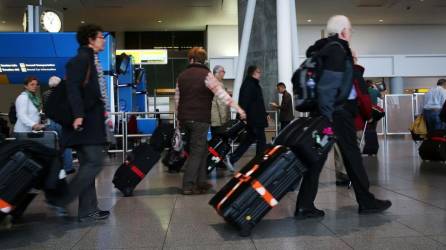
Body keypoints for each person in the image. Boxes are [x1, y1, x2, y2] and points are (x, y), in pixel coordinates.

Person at [295, 15, 391, 219]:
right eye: (350, 29)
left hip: (329, 112)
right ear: (343, 31)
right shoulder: (337, 50)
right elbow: (328, 86)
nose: (350, 33)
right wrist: (327, 119)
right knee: (351, 155)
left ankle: (304, 204)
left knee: (319, 158)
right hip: (337, 113)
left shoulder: (324, 49)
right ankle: (366, 201)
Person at [46, 24, 110, 222]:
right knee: (94, 162)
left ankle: (88, 210)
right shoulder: (81, 60)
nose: (104, 40)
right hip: (85, 123)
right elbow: (73, 89)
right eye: (100, 37)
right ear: (90, 39)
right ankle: (61, 198)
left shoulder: (91, 59)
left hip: (90, 121)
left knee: (87, 165)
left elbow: (91, 90)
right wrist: (78, 115)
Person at [175, 47, 246, 195]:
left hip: (184, 119)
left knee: (200, 148)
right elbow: (223, 96)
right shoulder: (207, 76)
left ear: (191, 59)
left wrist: (178, 119)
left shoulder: (182, 76)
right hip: (200, 119)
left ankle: (201, 182)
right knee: (196, 151)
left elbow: (177, 100)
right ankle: (188, 185)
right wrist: (239, 110)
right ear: (203, 60)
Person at [225, 65, 268, 169]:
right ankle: (259, 163)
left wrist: (265, 114)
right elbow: (244, 101)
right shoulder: (250, 84)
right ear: (253, 73)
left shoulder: (252, 84)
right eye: (259, 72)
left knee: (249, 139)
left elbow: (258, 103)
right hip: (254, 119)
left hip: (255, 118)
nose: (260, 74)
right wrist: (243, 116)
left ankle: (232, 158)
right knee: (261, 140)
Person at [42, 76, 74, 175]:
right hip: (62, 122)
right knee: (66, 145)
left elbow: (45, 109)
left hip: (50, 122)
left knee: (52, 145)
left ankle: (54, 168)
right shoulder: (65, 94)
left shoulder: (45, 94)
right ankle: (68, 168)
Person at [210, 65, 230, 135]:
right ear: (217, 73)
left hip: (213, 119)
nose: (224, 73)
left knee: (215, 141)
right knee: (220, 141)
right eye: (223, 71)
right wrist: (224, 121)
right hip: (218, 120)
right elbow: (222, 104)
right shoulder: (219, 85)